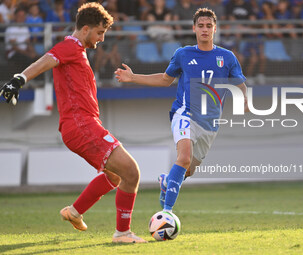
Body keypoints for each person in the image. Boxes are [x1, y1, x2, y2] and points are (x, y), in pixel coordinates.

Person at [0, 2, 146, 243]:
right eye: (100, 33)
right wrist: (20, 79)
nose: (101, 39)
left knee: (116, 176)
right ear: (86, 29)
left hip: (82, 126)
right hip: (81, 126)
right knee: (131, 171)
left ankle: (75, 211)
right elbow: (47, 59)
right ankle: (122, 233)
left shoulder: (78, 51)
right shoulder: (70, 46)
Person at [115, 8, 248, 212]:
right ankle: (166, 213)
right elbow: (165, 79)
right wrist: (133, 78)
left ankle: (167, 181)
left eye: (209, 26)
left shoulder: (227, 57)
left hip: (210, 124)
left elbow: (240, 84)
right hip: (185, 114)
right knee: (184, 158)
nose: (205, 30)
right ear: (194, 28)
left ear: (215, 29)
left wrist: (245, 101)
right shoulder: (183, 54)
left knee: (189, 169)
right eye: (201, 26)